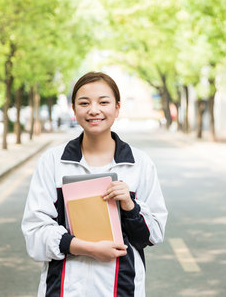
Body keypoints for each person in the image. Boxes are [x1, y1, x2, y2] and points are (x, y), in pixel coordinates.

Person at [21, 72, 168, 297]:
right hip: (62, 290)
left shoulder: (140, 164)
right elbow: (34, 233)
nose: (94, 110)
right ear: (74, 108)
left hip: (122, 289)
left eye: (103, 102)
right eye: (84, 103)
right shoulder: (52, 161)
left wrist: (130, 205)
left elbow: (153, 235)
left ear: (117, 108)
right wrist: (86, 248)